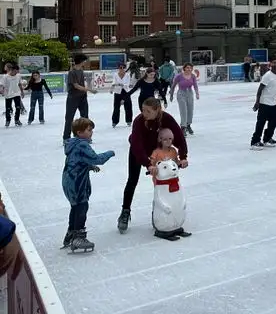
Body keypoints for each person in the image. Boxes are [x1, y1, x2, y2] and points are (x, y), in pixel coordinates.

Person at [117, 97, 187, 234]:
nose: (144, 113)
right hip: (139, 152)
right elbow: (137, 145)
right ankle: (125, 211)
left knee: (162, 184)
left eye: (148, 111)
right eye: (143, 110)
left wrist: (183, 157)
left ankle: (159, 212)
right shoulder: (138, 121)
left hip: (158, 152)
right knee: (132, 180)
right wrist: (148, 164)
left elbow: (179, 137)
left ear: (157, 110)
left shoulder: (166, 118)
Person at [62, 118, 115, 252]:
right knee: (82, 207)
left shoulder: (73, 144)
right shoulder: (82, 145)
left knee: (76, 207)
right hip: (77, 182)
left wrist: (89, 166)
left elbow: (76, 160)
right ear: (79, 132)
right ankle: (78, 237)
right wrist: (110, 153)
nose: (91, 133)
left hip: (69, 180)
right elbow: (98, 159)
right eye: (89, 130)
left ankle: (71, 234)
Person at [251, 59, 276, 150]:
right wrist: (257, 102)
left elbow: (274, 88)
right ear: (273, 67)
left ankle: (267, 138)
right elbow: (260, 89)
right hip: (264, 103)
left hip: (273, 103)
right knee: (261, 123)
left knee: (273, 122)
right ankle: (255, 141)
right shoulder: (267, 76)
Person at [63, 55, 97, 144]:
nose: (85, 62)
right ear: (81, 61)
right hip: (73, 98)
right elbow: (76, 86)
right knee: (69, 118)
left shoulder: (81, 71)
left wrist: (86, 91)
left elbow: (81, 84)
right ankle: (66, 138)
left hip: (82, 97)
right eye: (84, 61)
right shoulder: (72, 72)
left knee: (85, 118)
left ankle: (86, 137)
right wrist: (90, 90)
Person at [170, 63, 200, 135]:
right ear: (184, 68)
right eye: (187, 68)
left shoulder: (193, 76)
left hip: (189, 93)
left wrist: (197, 93)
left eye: (190, 68)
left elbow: (195, 85)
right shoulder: (179, 76)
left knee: (190, 111)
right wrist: (171, 95)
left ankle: (188, 125)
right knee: (183, 111)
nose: (189, 69)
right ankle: (183, 127)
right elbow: (173, 86)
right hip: (181, 94)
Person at [111, 62, 133, 128]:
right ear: (118, 68)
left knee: (128, 107)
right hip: (117, 92)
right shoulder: (115, 75)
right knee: (116, 108)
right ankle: (114, 121)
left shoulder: (127, 75)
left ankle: (129, 121)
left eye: (123, 67)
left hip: (126, 92)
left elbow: (128, 83)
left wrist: (121, 84)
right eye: (120, 67)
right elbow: (114, 82)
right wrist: (113, 87)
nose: (122, 69)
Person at [3, 64, 24, 128]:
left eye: (18, 71)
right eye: (16, 71)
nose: (17, 73)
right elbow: (2, 85)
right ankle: (8, 120)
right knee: (8, 109)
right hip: (8, 94)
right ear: (12, 70)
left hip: (17, 93)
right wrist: (1, 90)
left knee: (18, 107)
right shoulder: (5, 76)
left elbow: (20, 84)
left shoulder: (18, 75)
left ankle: (17, 120)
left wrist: (22, 92)